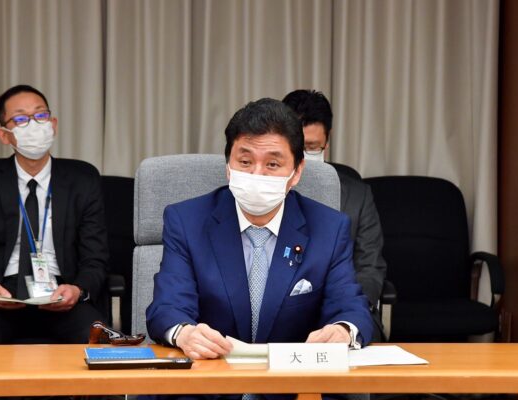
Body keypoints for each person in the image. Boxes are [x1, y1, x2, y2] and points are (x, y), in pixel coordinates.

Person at [144, 98, 372, 398]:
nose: (257, 175)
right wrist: (184, 333)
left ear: (297, 171)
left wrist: (343, 330)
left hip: (291, 390)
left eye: (273, 164)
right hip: (207, 386)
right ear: (228, 166)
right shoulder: (187, 221)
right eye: (245, 162)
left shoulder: (328, 228)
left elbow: (352, 308)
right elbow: (167, 306)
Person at [0, 84, 108, 344]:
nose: (33, 124)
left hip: (61, 294)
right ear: (4, 135)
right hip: (1, 296)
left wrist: (78, 290)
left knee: (95, 337)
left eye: (40, 115)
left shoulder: (82, 180)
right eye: (21, 119)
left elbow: (95, 258)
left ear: (53, 124)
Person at [283, 89, 387, 342]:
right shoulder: (265, 190)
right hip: (279, 313)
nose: (303, 156)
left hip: (342, 309)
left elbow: (370, 267)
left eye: (312, 147)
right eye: (297, 147)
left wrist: (346, 313)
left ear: (326, 143)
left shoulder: (357, 196)